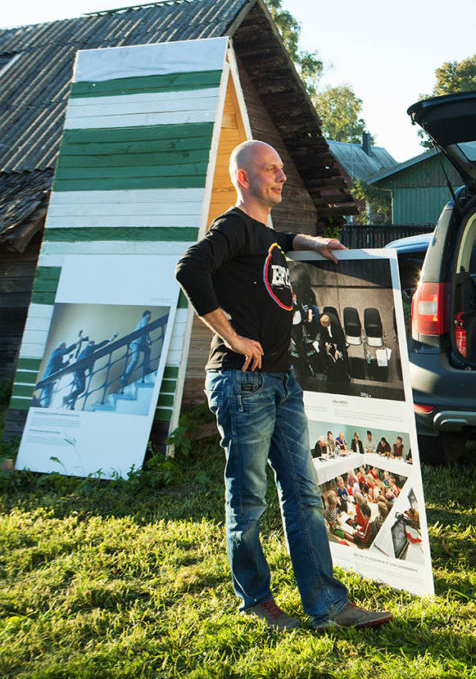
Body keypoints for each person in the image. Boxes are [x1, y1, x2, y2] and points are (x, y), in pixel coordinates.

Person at [175, 139, 391, 632]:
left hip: (281, 380)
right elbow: (190, 268)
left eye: (280, 167)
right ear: (244, 179)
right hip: (241, 380)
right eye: (270, 170)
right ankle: (257, 601)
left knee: (304, 491)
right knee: (248, 499)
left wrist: (310, 242)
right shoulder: (231, 226)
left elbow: (271, 244)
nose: (281, 176)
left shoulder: (262, 231)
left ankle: (328, 605)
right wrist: (229, 334)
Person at [120, 310, 153, 388]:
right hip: (136, 343)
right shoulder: (145, 319)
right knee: (135, 359)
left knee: (148, 350)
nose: (150, 316)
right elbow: (145, 330)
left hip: (139, 343)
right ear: (147, 314)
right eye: (150, 315)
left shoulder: (141, 321)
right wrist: (148, 339)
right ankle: (124, 378)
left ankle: (146, 369)